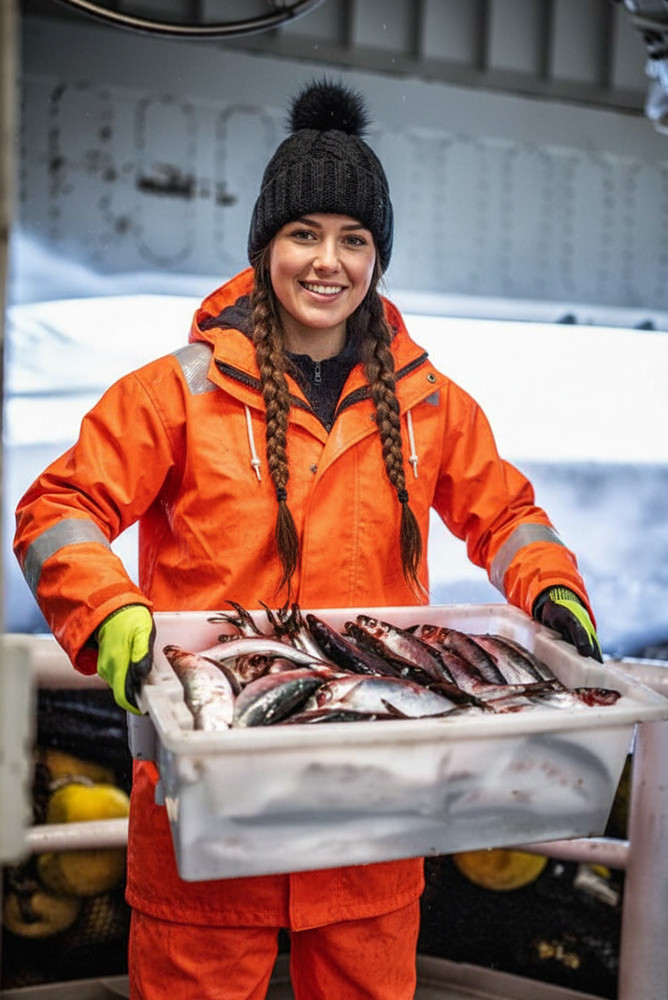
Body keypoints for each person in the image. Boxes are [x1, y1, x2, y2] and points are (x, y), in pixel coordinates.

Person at [14, 78, 602, 1000]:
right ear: (265, 247)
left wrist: (551, 586)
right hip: (210, 794)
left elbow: (506, 514)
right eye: (304, 233)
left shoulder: (430, 402)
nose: (328, 262)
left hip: (372, 799)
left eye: (354, 239)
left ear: (377, 257)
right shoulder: (175, 392)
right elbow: (59, 508)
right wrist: (108, 610)